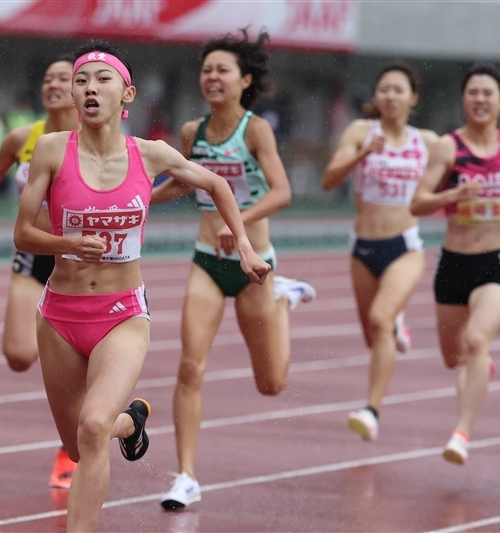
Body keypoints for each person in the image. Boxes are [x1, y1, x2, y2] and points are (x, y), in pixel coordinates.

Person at [13, 39, 270, 532]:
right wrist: (67, 242)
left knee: (92, 431)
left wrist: (245, 245)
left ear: (126, 94)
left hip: (122, 314)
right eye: (81, 80)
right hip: (60, 315)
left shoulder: (150, 155)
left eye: (102, 80)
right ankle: (131, 421)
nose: (89, 89)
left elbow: (215, 184)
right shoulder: (50, 150)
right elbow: (23, 233)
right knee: (76, 443)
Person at [148, 29, 315, 511]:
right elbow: (183, 186)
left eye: (222, 70)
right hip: (206, 260)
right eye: (206, 70)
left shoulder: (256, 130)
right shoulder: (190, 133)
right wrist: (137, 202)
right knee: (189, 364)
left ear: (245, 80)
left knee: (271, 384)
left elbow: (282, 192)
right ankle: (185, 476)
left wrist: (240, 223)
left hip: (254, 265)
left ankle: (282, 299)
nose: (212, 77)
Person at [0, 56, 80, 489]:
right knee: (18, 355)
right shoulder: (22, 137)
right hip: (32, 259)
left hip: (79, 263)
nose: (53, 84)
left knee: (69, 367)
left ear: (80, 87)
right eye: (47, 78)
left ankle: (72, 449)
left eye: (63, 78)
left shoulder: (93, 139)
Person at [410, 63, 500, 465]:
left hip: (498, 263)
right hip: (454, 264)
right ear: (464, 99)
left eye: (487, 93)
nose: (480, 99)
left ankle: (461, 434)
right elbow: (418, 202)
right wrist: (454, 195)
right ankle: (481, 366)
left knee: (477, 341)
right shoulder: (448, 147)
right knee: (453, 357)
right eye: (472, 92)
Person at [320, 62, 440, 442]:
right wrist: (363, 154)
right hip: (363, 247)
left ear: (413, 98)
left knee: (379, 318)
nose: (390, 96)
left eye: (398, 89)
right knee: (376, 337)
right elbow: (329, 180)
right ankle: (395, 324)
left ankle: (371, 410)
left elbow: (467, 159)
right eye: (383, 89)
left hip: (404, 245)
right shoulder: (361, 131)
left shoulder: (429, 142)